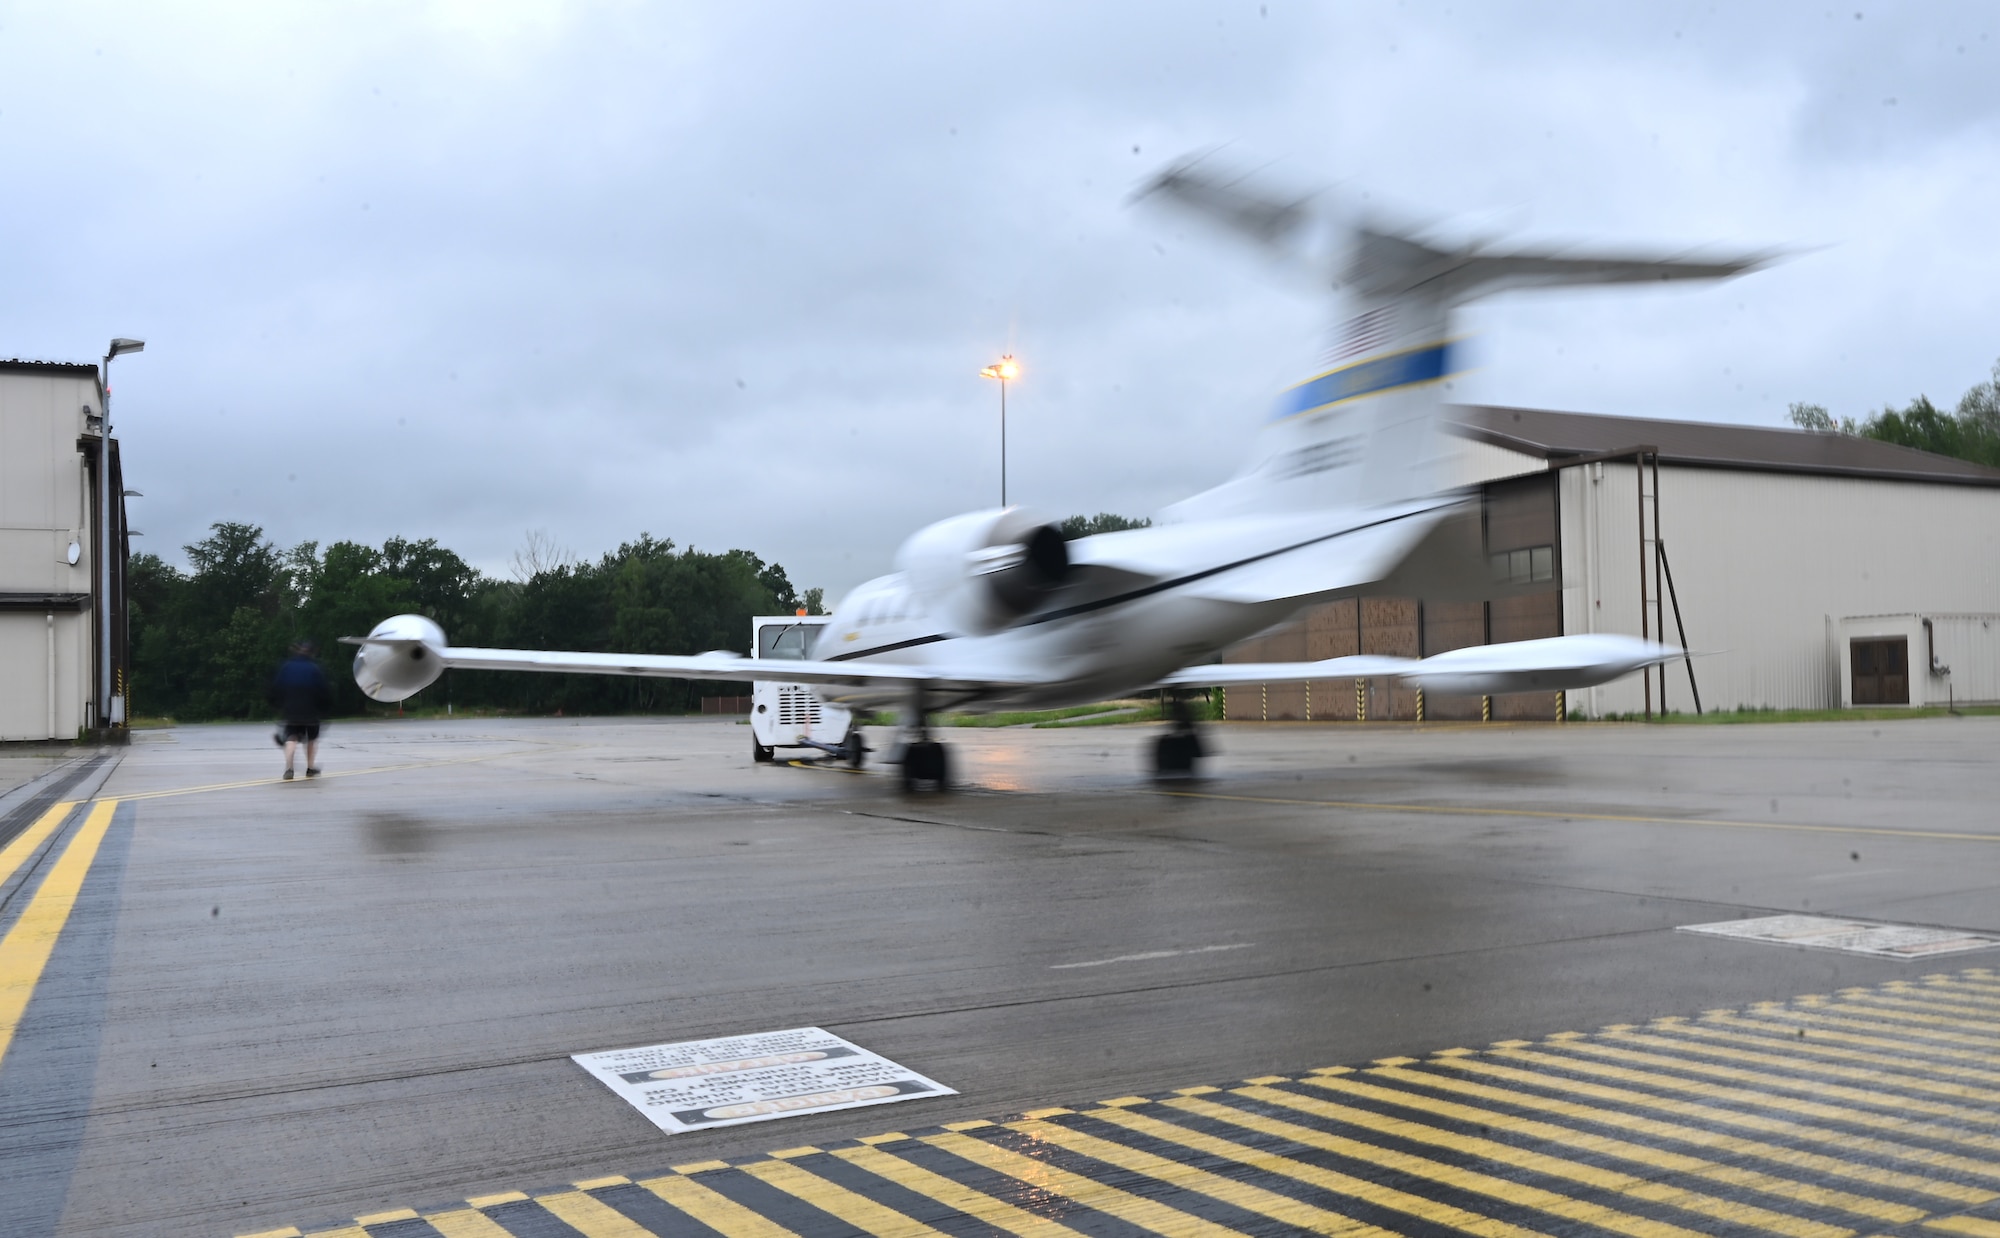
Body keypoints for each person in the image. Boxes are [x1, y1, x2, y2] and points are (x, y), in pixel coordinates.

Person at [269, 639, 333, 780]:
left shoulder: (286, 667)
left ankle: (289, 768)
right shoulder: (314, 668)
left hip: (290, 710)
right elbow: (324, 690)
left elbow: (276, 688)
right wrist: (325, 708)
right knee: (311, 739)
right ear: (310, 653)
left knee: (291, 738)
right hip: (310, 711)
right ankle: (310, 767)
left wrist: (278, 705)